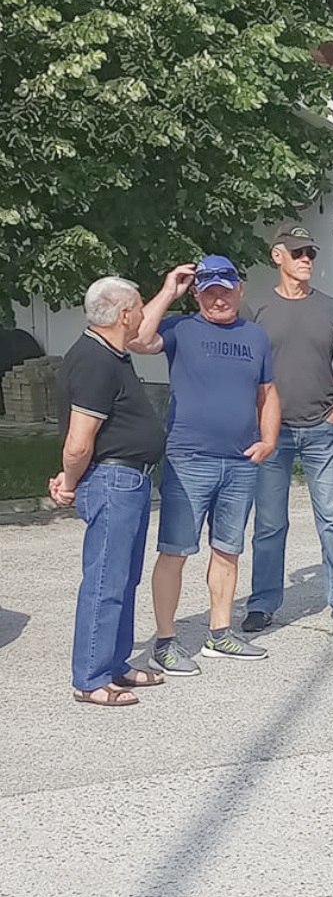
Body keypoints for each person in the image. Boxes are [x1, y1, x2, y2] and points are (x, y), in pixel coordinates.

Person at [132, 257, 280, 674]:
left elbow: (268, 393)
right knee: (175, 551)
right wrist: (168, 290)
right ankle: (165, 643)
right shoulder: (180, 329)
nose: (219, 299)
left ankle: (220, 634)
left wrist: (269, 439)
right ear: (197, 293)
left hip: (240, 461)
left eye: (225, 290)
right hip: (189, 459)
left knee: (228, 550)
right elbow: (138, 340)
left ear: (239, 289)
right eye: (209, 291)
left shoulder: (255, 336)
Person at [52, 277, 170, 705]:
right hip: (113, 481)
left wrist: (169, 291)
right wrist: (68, 481)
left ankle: (115, 663)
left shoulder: (111, 354)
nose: (142, 315)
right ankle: (91, 677)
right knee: (105, 580)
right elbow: (79, 441)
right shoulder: (95, 361)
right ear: (124, 315)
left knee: (124, 578)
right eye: (139, 307)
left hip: (129, 480)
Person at [242, 223, 333, 633]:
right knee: (269, 523)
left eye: (310, 252)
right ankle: (263, 603)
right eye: (298, 253)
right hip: (272, 434)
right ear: (278, 257)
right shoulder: (255, 309)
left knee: (332, 518)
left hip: (321, 429)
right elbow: (242, 369)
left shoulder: (332, 308)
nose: (307, 258)